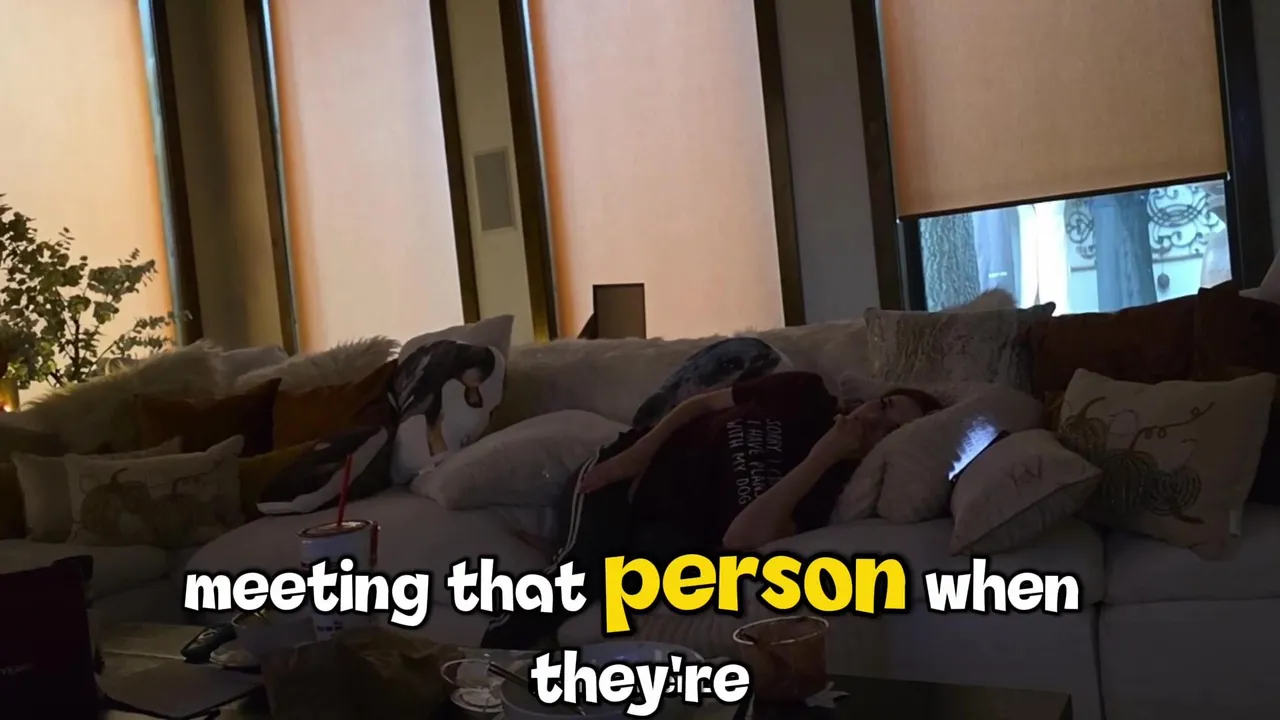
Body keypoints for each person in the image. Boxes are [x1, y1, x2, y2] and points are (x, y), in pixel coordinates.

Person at [482, 370, 942, 649]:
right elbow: (699, 405)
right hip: (630, 478)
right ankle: (486, 659)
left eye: (886, 429)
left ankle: (565, 556)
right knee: (584, 569)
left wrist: (822, 456)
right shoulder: (804, 392)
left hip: (667, 530)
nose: (870, 418)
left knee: (654, 574)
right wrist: (637, 453)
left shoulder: (827, 490)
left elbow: (740, 538)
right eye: (882, 405)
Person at [393, 339, 499, 456]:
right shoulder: (435, 375)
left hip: (416, 373)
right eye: (476, 380)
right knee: (433, 426)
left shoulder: (457, 352)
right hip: (411, 386)